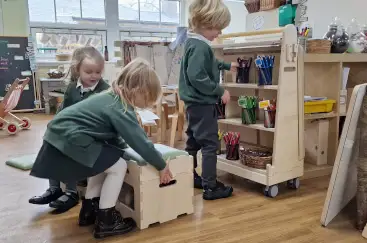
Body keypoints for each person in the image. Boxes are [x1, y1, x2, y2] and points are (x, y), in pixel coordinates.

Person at [30, 58, 173, 239]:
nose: (145, 104)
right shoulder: (120, 106)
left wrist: (123, 148)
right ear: (138, 90)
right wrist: (161, 165)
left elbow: (114, 138)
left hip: (61, 135)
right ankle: (106, 220)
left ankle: (90, 210)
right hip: (71, 139)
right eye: (146, 99)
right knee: (118, 166)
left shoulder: (110, 97)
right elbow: (140, 141)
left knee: (104, 162)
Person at [28, 46, 110, 212]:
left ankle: (71, 192)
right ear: (77, 69)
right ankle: (54, 188)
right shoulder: (73, 88)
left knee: (70, 143)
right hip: (72, 128)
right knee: (51, 139)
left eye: (98, 72)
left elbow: (105, 118)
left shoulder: (104, 90)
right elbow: (64, 110)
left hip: (92, 134)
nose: (94, 76)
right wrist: (55, 124)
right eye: (89, 72)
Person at [179, 0, 238, 200]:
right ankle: (210, 186)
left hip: (193, 104)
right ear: (205, 24)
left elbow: (208, 64)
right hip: (202, 103)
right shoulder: (200, 47)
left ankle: (190, 176)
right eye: (217, 28)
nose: (219, 33)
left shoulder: (194, 43)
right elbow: (197, 75)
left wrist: (226, 66)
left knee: (193, 142)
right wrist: (219, 90)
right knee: (210, 145)